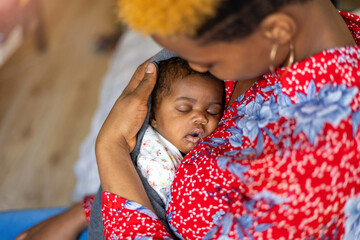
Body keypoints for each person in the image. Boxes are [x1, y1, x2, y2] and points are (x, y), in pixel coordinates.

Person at [93, 0, 360, 239]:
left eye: (210, 61)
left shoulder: (323, 167)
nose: (196, 68)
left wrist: (111, 145)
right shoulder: (273, 44)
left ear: (278, 30)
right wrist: (81, 213)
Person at [15, 56, 224, 240]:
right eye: (184, 109)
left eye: (214, 112)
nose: (201, 118)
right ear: (153, 117)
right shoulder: (152, 152)